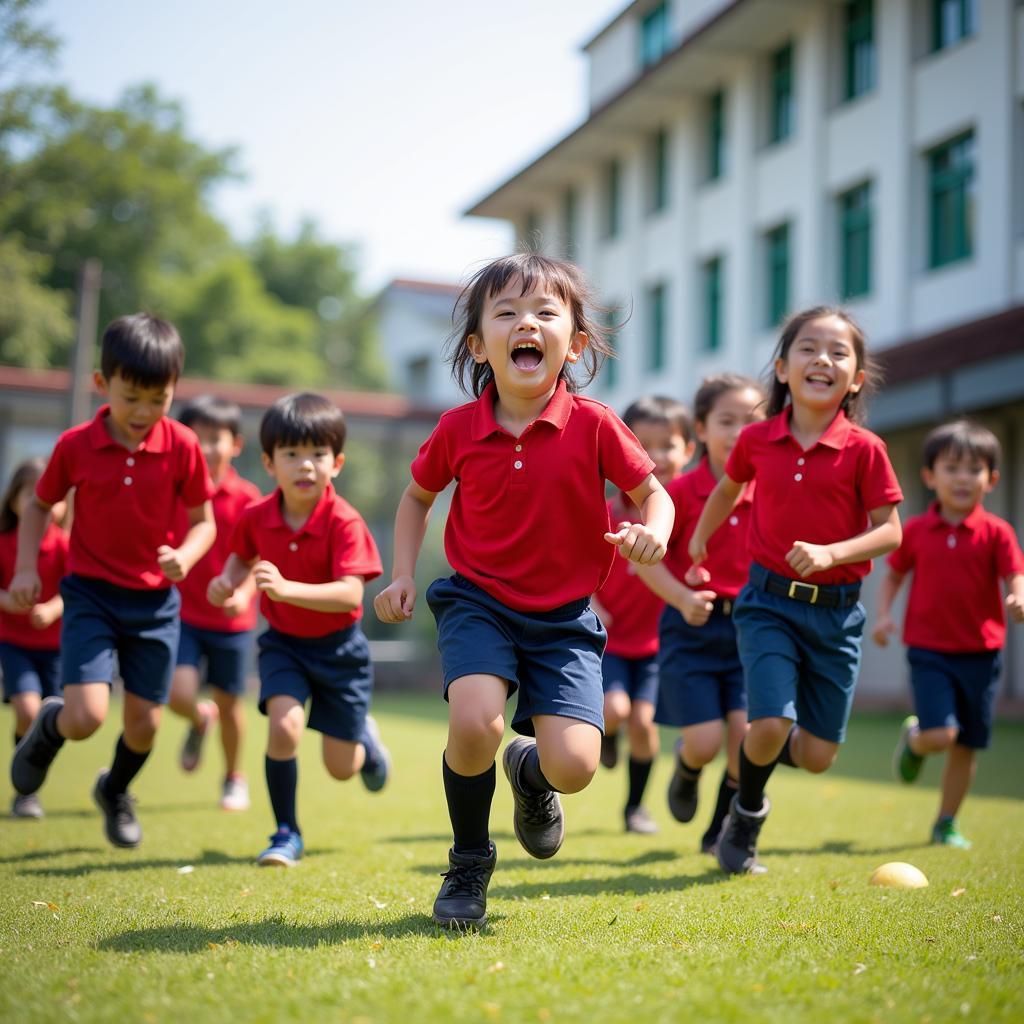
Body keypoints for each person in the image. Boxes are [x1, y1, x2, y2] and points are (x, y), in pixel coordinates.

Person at [374, 252, 674, 929]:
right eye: (506, 313)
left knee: (575, 767)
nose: (526, 324)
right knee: (473, 718)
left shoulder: (596, 424)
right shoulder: (457, 430)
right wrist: (399, 573)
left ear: (576, 340)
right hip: (478, 601)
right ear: (480, 344)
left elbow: (651, 493)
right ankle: (469, 864)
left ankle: (530, 775)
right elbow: (416, 498)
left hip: (565, 618)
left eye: (544, 313)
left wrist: (654, 531)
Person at [688, 306, 903, 875]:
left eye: (839, 352)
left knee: (816, 757)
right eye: (809, 348)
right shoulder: (757, 439)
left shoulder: (865, 449)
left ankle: (760, 757)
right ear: (782, 367)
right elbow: (727, 490)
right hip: (767, 606)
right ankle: (745, 819)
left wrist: (833, 552)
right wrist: (699, 544)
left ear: (855, 377)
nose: (822, 360)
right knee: (771, 724)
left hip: (836, 616)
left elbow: (890, 529)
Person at [9, 313, 215, 848]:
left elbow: (204, 523)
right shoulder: (75, 445)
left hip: (154, 605)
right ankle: (50, 727)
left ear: (174, 390)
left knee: (145, 725)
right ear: (103, 385)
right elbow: (39, 505)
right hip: (91, 597)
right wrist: (28, 567)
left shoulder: (184, 446)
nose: (144, 412)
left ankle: (115, 791)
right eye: (131, 398)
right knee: (85, 718)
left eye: (158, 398)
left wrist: (187, 558)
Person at [208, 392, 390, 868]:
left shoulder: (345, 522)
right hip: (284, 646)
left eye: (317, 454)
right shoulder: (256, 516)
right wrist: (227, 581)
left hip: (340, 653)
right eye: (291, 454)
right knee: (284, 727)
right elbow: (240, 554)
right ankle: (286, 832)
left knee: (340, 767)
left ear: (337, 462)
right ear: (269, 462)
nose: (305, 465)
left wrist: (286, 589)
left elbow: (352, 595)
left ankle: (365, 743)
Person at [873, 420, 1024, 849]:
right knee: (943, 735)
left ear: (991, 479)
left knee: (967, 745)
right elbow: (893, 577)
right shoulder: (917, 530)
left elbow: (1016, 574)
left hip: (982, 653)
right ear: (929, 476)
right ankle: (918, 742)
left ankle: (946, 822)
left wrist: (1018, 597)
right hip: (929, 651)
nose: (962, 478)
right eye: (952, 468)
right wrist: (883, 616)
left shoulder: (997, 532)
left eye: (974, 469)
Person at [636, 375, 762, 853]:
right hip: (691, 629)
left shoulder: (770, 491)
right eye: (727, 421)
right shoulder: (680, 493)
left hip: (751, 630)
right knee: (707, 741)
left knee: (745, 738)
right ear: (702, 431)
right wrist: (681, 598)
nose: (738, 432)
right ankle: (688, 768)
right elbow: (645, 563)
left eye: (751, 422)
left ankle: (719, 832)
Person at [593, 396, 694, 835]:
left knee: (645, 722)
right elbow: (578, 560)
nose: (657, 456)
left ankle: (634, 808)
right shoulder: (608, 511)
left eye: (668, 444)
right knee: (613, 710)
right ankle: (606, 737)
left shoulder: (687, 512)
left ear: (688, 449)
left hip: (661, 642)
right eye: (643, 443)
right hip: (612, 638)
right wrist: (591, 601)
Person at [169, 395, 261, 812]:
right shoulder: (172, 492)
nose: (205, 448)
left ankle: (233, 777)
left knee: (229, 704)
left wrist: (241, 595)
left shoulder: (247, 498)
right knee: (177, 692)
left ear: (235, 444)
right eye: (196, 438)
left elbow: (260, 559)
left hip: (232, 623)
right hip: (182, 614)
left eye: (215, 438)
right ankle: (196, 718)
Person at [0, 458, 69, 818]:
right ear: (13, 500)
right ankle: (25, 792)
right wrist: (6, 599)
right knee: (28, 711)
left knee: (56, 718)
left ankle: (32, 783)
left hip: (57, 650)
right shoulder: (5, 542)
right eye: (30, 494)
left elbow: (75, 591)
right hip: (15, 645)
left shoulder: (65, 545)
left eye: (51, 495)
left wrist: (54, 609)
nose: (40, 502)